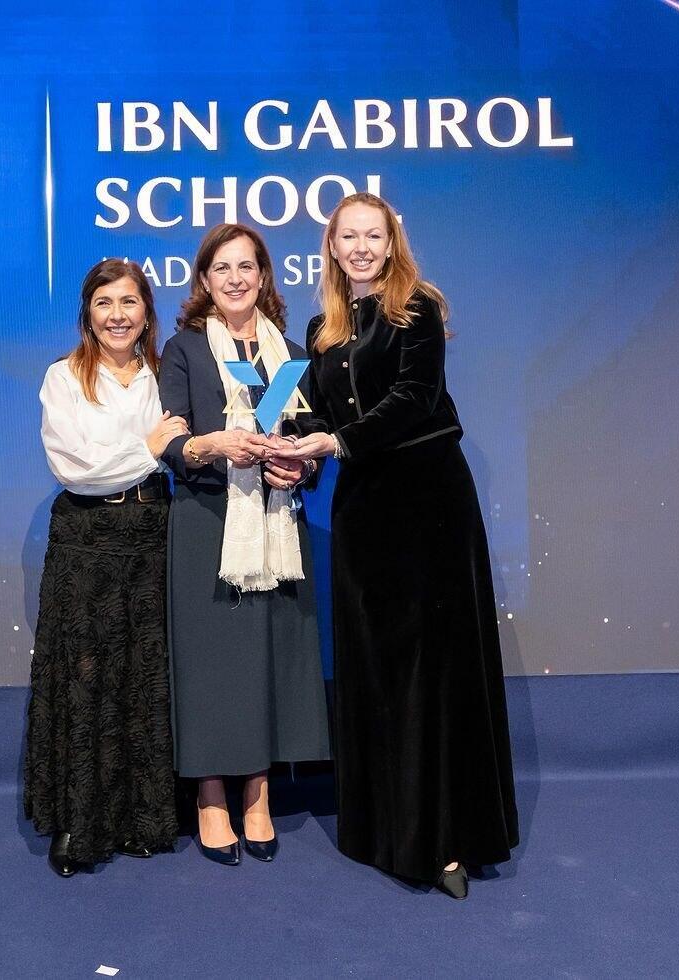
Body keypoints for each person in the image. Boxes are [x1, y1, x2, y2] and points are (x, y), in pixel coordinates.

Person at [278, 193, 520, 899]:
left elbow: (415, 398)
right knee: (375, 670)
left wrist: (337, 441)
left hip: (427, 504)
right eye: (347, 235)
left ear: (392, 243)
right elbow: (315, 416)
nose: (359, 247)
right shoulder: (325, 331)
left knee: (433, 672)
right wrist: (286, 443)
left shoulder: (417, 309)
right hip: (364, 516)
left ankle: (444, 839)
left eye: (372, 235)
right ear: (331, 244)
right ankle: (384, 830)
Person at [159, 224, 330, 866]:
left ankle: (258, 793)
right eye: (222, 268)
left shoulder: (285, 353)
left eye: (247, 267)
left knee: (267, 655)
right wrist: (213, 445)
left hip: (277, 522)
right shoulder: (183, 350)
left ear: (263, 277)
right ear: (204, 280)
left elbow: (309, 431)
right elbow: (169, 441)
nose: (235, 278)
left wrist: (301, 467)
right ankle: (210, 797)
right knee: (212, 665)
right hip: (208, 523)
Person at [24, 259, 189, 877]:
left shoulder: (163, 375)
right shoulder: (62, 378)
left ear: (147, 310)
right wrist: (146, 450)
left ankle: (146, 817)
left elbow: (187, 447)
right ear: (86, 312)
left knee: (146, 674)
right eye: (104, 303)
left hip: (153, 535)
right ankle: (80, 822)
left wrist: (146, 456)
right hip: (86, 541)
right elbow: (76, 470)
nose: (117, 315)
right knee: (86, 677)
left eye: (129, 302)